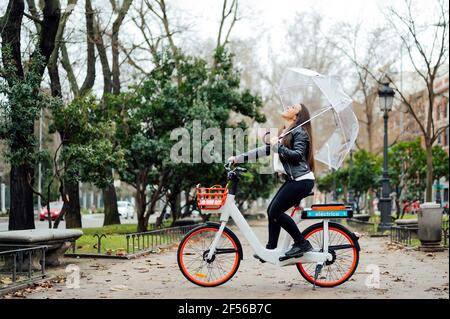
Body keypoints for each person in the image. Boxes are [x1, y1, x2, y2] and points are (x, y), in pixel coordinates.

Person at [228, 104, 315, 259]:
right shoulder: (285, 134)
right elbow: (262, 151)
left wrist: (277, 146)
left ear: (297, 116)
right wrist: (238, 158)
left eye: (293, 107)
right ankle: (270, 249)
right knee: (271, 211)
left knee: (276, 211)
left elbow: (297, 156)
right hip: (294, 180)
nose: (288, 106)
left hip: (302, 181)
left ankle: (302, 243)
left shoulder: (300, 132)